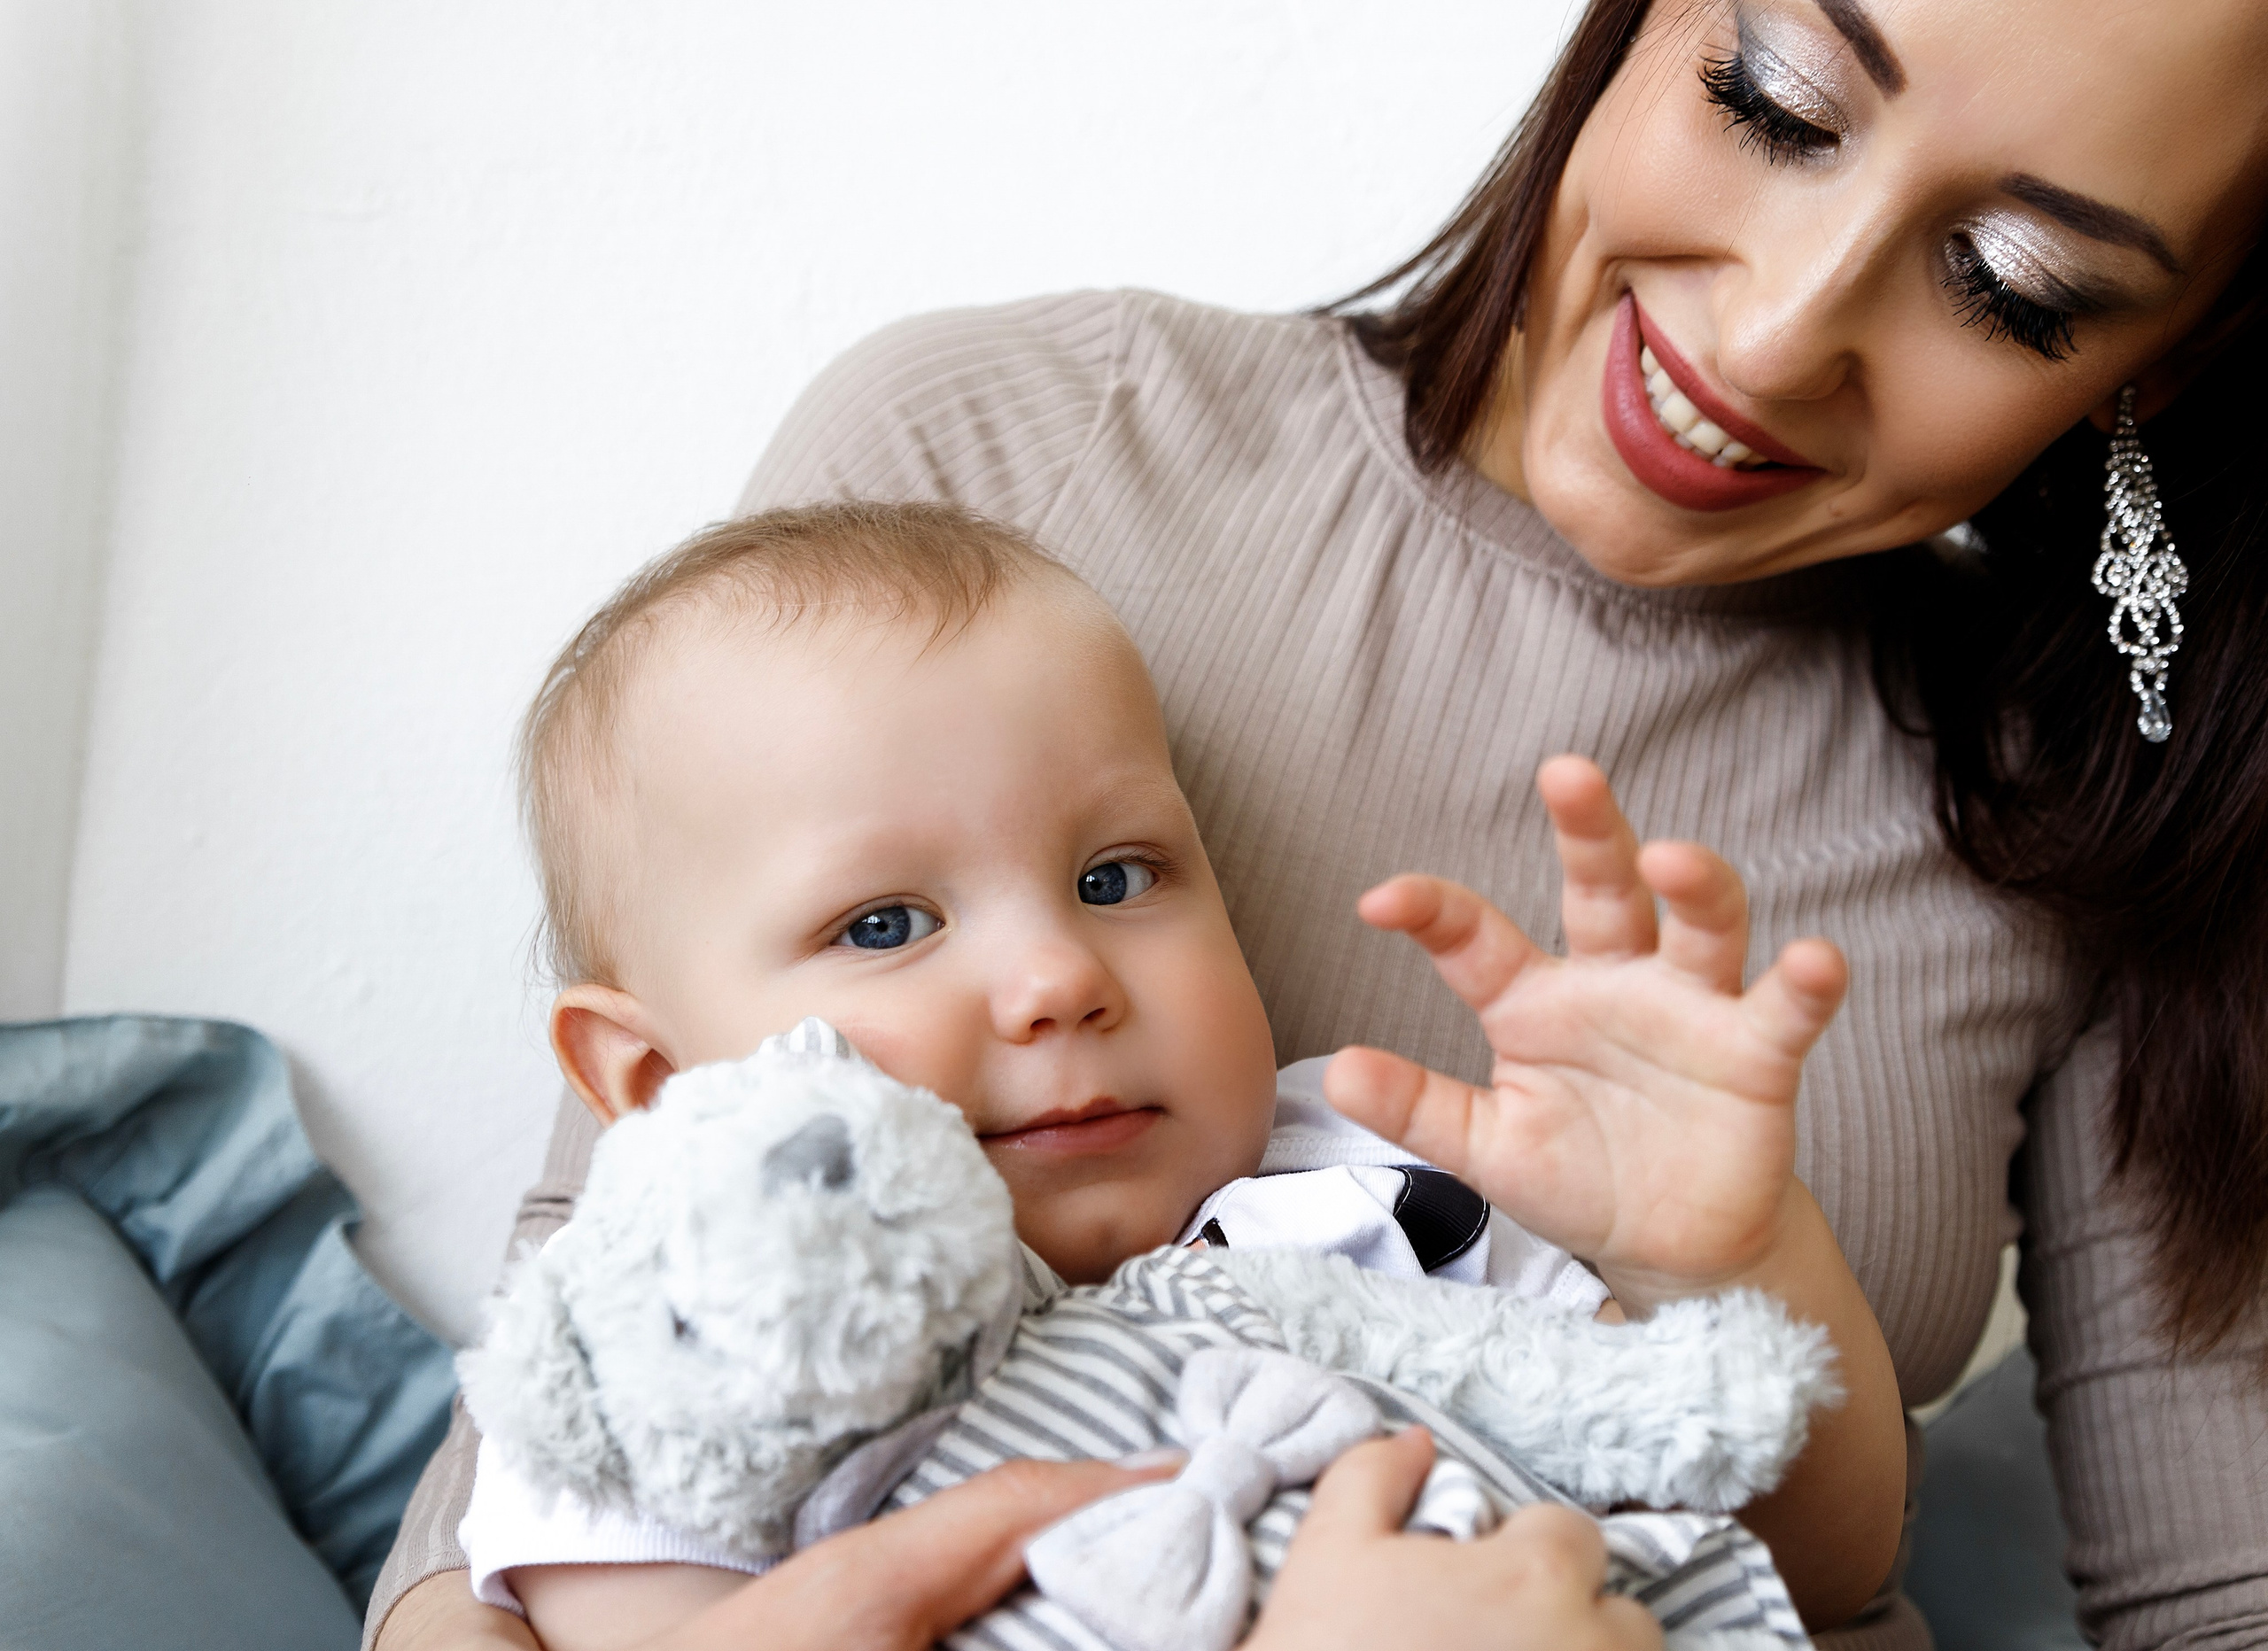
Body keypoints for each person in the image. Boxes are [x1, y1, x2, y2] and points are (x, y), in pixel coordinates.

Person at [368, 1, 2268, 1647]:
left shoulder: (2101, 785)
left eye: (2009, 283)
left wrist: (1742, 1250)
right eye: (1770, 95)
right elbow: (563, 1441)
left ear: (2152, 364)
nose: (1772, 336)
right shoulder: (999, 479)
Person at [452, 500, 1892, 1649]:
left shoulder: (1369, 1191)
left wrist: (1726, 1255)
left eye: (1115, 873)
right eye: (885, 924)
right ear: (651, 1083)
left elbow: (1815, 1571)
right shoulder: (684, 1368)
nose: (1059, 977)